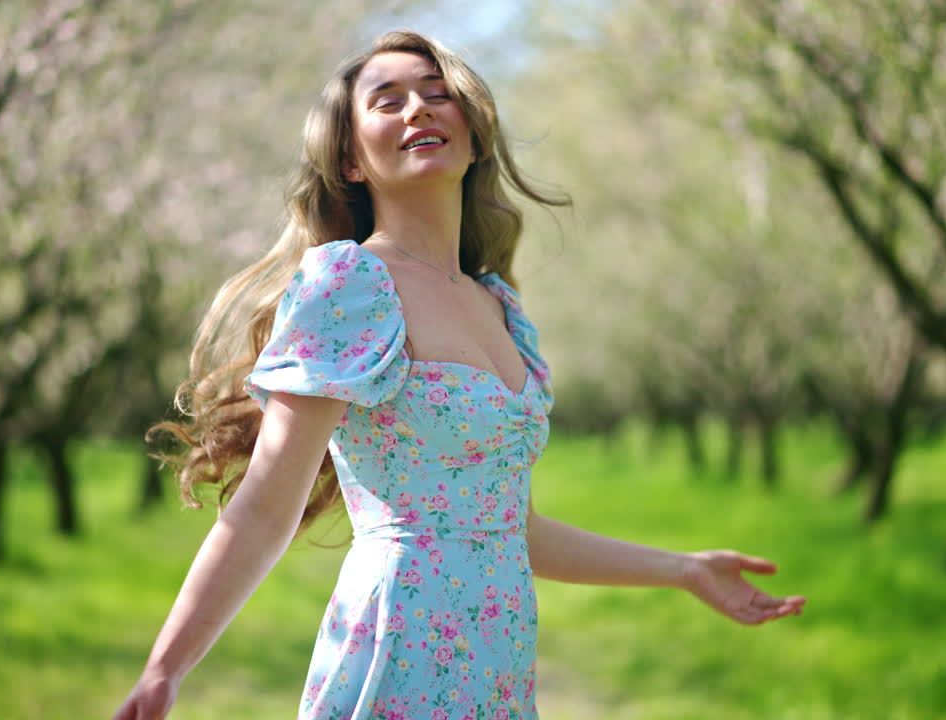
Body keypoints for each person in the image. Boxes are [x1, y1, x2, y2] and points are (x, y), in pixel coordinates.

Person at [114, 29, 805, 720]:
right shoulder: (350, 286)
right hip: (397, 651)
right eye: (388, 101)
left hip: (497, 668)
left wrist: (684, 570)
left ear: (473, 138)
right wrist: (165, 669)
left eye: (438, 94)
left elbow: (513, 529)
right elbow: (267, 505)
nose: (418, 108)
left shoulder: (499, 307)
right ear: (350, 160)